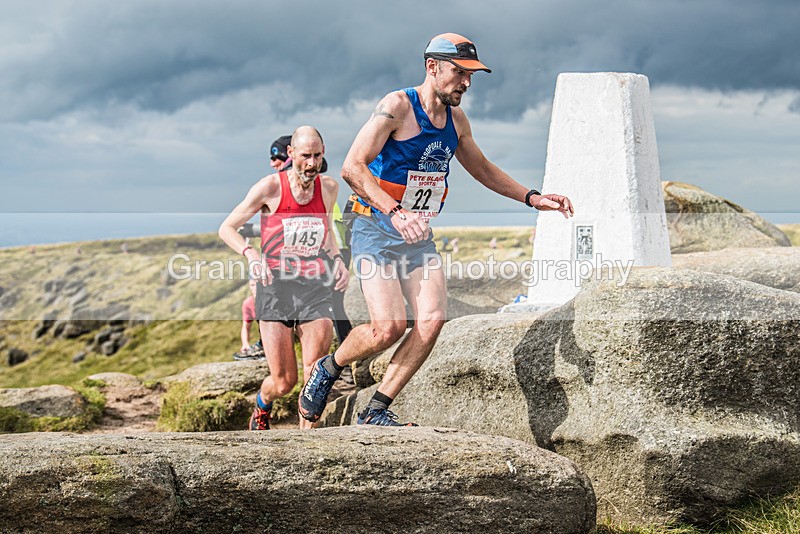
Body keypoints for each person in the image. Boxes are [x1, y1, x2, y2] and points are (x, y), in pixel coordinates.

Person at [298, 33, 573, 426]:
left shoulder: (456, 120)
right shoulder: (396, 107)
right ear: (432, 67)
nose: (467, 83)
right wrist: (395, 211)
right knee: (388, 327)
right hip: (373, 225)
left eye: (471, 75)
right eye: (460, 73)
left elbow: (482, 168)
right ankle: (329, 366)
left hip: (414, 233)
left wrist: (532, 198)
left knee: (431, 320)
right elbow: (352, 167)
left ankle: (376, 409)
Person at [219, 126, 349, 430]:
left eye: (317, 156)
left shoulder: (328, 188)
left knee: (313, 378)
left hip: (314, 288)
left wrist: (339, 261)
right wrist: (251, 254)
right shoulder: (270, 187)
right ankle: (262, 405)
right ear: (291, 154)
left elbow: (326, 233)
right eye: (305, 156)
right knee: (283, 382)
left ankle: (307, 450)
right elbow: (226, 227)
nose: (312, 164)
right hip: (275, 289)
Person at [233, 278, 265, 361]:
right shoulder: (248, 303)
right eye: (252, 285)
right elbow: (246, 327)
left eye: (258, 285)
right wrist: (245, 343)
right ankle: (262, 345)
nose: (255, 288)